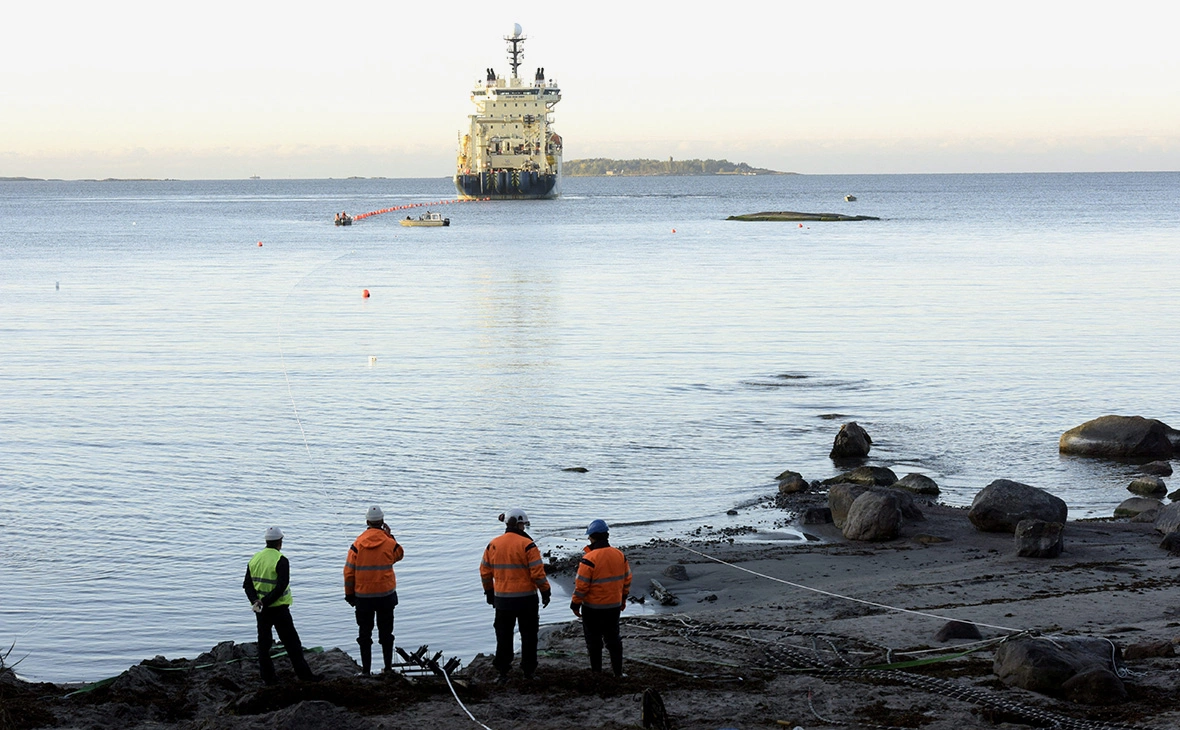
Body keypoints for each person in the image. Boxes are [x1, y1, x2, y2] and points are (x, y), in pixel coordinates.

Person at [479, 508, 551, 681]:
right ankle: (529, 672)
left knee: (503, 636)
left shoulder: (493, 544)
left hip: (503, 600)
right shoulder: (528, 545)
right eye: (523, 524)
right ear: (518, 524)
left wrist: (489, 592)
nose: (524, 528)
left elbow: (484, 572)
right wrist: (545, 591)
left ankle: (503, 672)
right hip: (526, 600)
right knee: (529, 636)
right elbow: (538, 574)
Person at [242, 526, 319, 684]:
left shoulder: (255, 558)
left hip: (261, 610)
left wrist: (256, 601)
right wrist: (266, 601)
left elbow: (247, 585)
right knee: (292, 644)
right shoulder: (281, 560)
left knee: (264, 645)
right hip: (279, 609)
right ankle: (306, 677)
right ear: (280, 542)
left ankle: (268, 679)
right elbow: (281, 586)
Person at [343, 505, 404, 676]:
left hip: (363, 597)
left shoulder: (357, 543)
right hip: (386, 596)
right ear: (382, 522)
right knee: (386, 633)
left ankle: (366, 671)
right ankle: (388, 668)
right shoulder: (389, 542)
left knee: (364, 634)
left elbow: (348, 572)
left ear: (367, 521)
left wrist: (349, 595)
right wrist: (389, 535)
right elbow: (399, 554)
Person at [570, 519, 632, 677]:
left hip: (592, 608)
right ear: (606, 535)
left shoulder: (589, 559)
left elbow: (581, 587)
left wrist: (575, 604)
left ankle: (596, 672)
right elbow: (627, 580)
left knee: (594, 642)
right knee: (614, 640)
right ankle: (618, 673)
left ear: (591, 537)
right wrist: (622, 600)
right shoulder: (620, 555)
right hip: (613, 607)